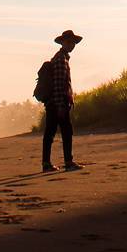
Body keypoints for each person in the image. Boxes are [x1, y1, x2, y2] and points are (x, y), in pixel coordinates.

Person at [42, 29, 83, 172]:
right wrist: (61, 106)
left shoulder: (61, 57)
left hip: (54, 103)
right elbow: (59, 85)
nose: (71, 45)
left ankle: (47, 163)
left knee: (50, 133)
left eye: (73, 42)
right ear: (63, 43)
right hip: (58, 103)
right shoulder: (60, 59)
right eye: (69, 42)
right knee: (65, 132)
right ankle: (67, 162)